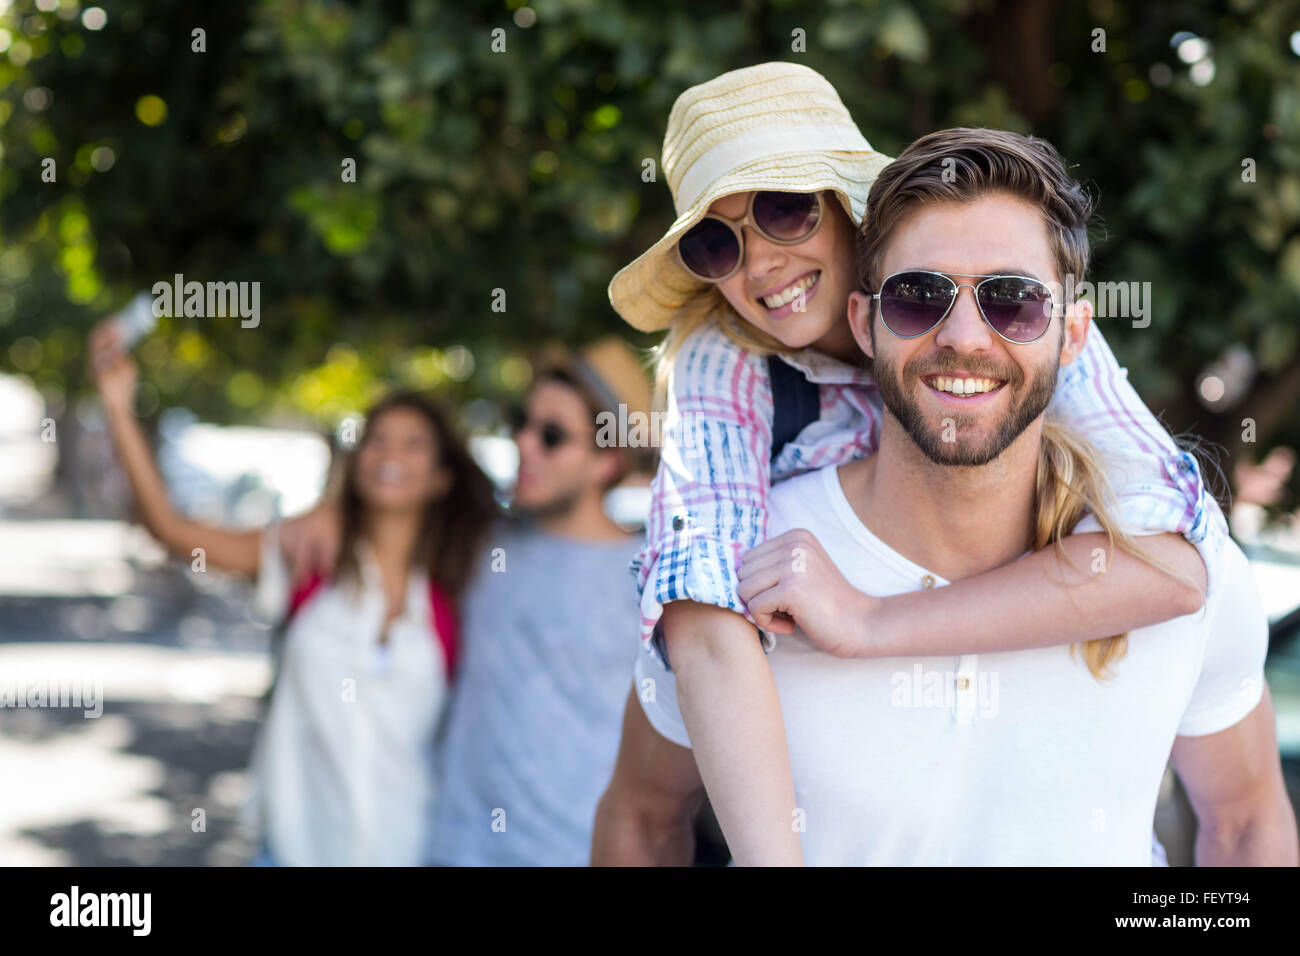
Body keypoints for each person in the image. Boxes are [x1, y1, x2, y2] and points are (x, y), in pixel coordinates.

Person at [600, 127, 1298, 865]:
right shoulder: (744, 576)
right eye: (918, 297)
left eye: (1014, 301)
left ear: (1073, 335)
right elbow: (640, 819)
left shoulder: (1173, 545)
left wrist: (869, 622)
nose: (965, 335)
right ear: (864, 322)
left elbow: (1249, 824)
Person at [87, 322, 496, 865]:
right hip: (293, 851)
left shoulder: (459, 591)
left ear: (442, 477)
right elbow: (171, 530)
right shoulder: (307, 559)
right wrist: (118, 407)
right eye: (376, 439)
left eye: (413, 443)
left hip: (412, 849)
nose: (389, 454)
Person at [280, 339, 651, 865]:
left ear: (607, 462)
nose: (524, 442)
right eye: (522, 421)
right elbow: (395, 496)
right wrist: (329, 509)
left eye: (552, 436)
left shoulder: (650, 578)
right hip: (452, 851)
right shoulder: (480, 543)